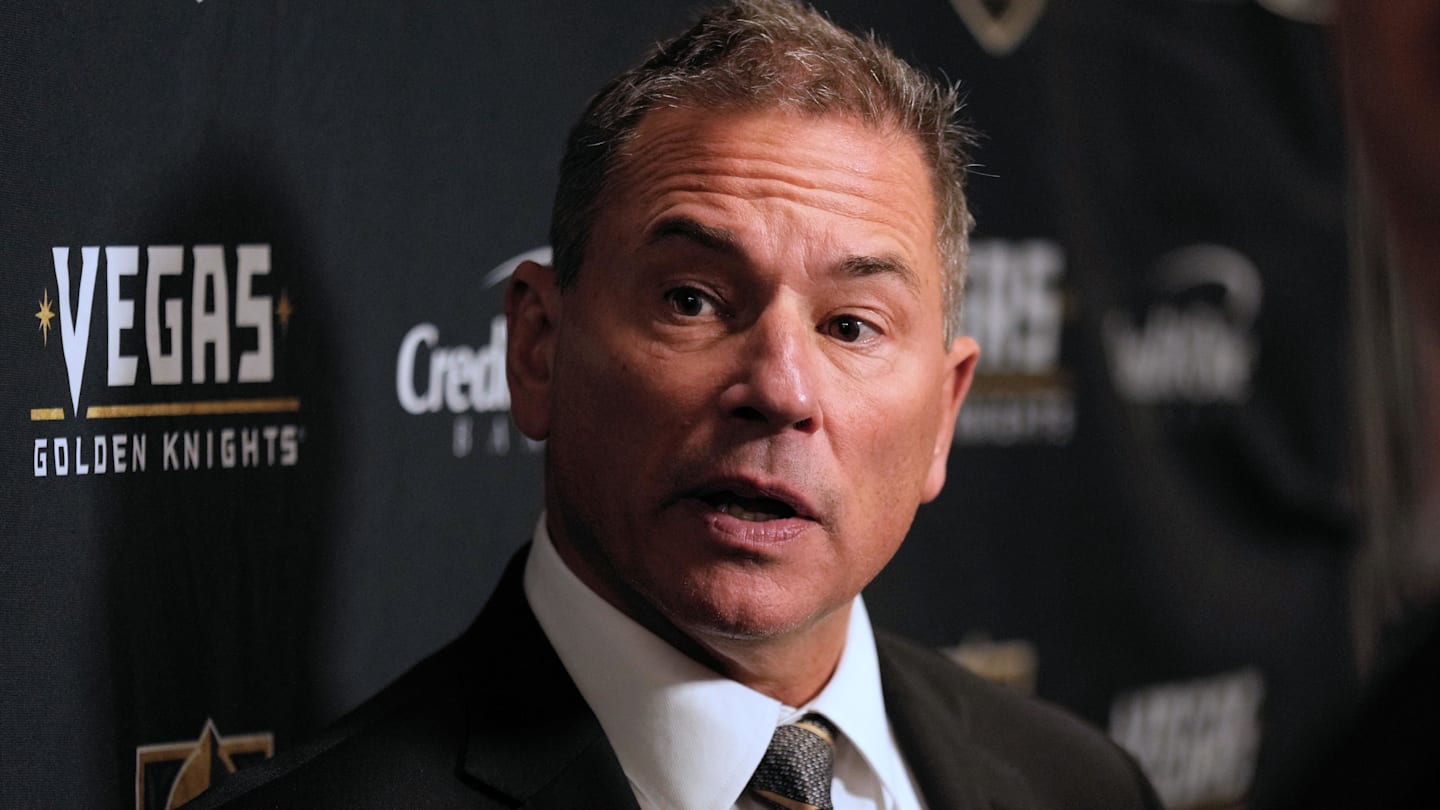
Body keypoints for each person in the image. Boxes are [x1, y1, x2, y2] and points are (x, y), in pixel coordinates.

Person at [195, 1, 1159, 807]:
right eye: (691, 300)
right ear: (537, 348)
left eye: (852, 325)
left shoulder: (1083, 786)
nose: (780, 389)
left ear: (946, 412)